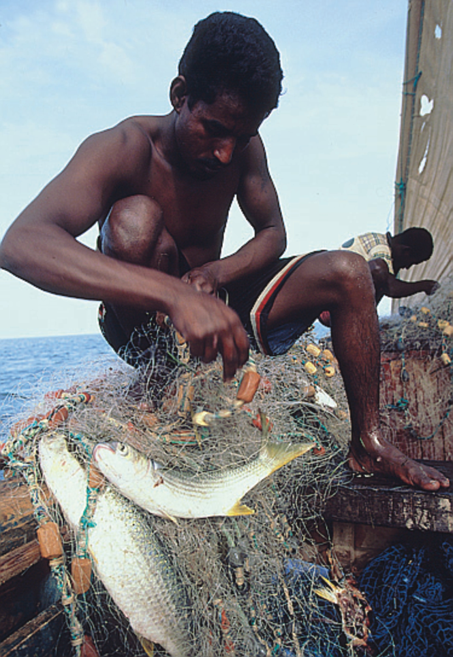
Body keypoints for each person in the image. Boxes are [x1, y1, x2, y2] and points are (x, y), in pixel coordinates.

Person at [0, 12, 448, 492]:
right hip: (143, 325)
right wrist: (175, 296)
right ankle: (160, 385)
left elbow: (273, 233)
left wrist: (215, 273)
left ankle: (368, 445)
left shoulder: (243, 148)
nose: (226, 153)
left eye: (244, 135)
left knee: (351, 271)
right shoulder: (124, 147)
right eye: (213, 129)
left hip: (220, 308)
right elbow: (21, 243)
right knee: (134, 220)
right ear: (179, 95)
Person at [319, 228, 439, 326]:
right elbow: (391, 287)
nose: (407, 267)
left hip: (332, 303)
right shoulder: (381, 251)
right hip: (329, 308)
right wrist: (425, 286)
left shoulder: (377, 240)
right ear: (406, 251)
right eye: (411, 263)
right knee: (381, 273)